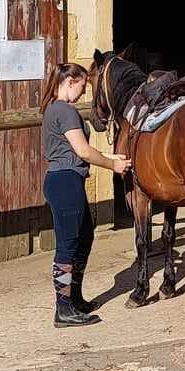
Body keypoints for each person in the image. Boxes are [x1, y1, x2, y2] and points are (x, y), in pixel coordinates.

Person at [40, 62, 131, 327]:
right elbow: (82, 151)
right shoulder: (65, 111)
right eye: (82, 87)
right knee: (68, 244)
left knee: (83, 237)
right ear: (71, 82)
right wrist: (112, 165)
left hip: (66, 180)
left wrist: (112, 157)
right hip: (66, 181)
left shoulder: (53, 110)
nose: (83, 93)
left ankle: (74, 298)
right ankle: (63, 308)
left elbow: (75, 151)